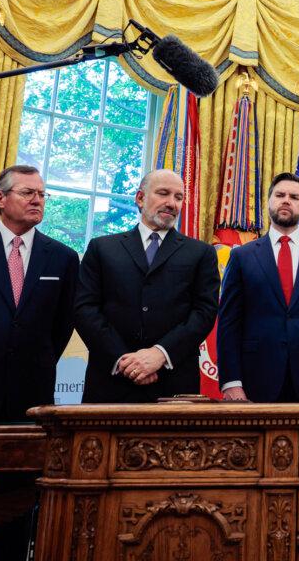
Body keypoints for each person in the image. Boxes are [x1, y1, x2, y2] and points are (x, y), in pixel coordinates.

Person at [0, 165, 79, 561]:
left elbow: (62, 325)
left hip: (30, 396)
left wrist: (37, 360)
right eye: (28, 193)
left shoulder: (62, 257)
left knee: (18, 497)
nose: (37, 200)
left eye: (42, 195)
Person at [75, 169, 219, 402]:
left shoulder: (201, 253)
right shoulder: (102, 248)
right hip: (110, 382)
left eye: (178, 197)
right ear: (140, 198)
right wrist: (124, 360)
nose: (171, 203)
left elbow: (204, 312)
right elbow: (85, 309)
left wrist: (160, 354)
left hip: (172, 383)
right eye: (163, 193)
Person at [217, 172, 299, 403]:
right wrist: (231, 381)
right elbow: (229, 323)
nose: (286, 200)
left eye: (294, 197)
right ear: (269, 202)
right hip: (254, 381)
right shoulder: (242, 257)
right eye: (280, 195)